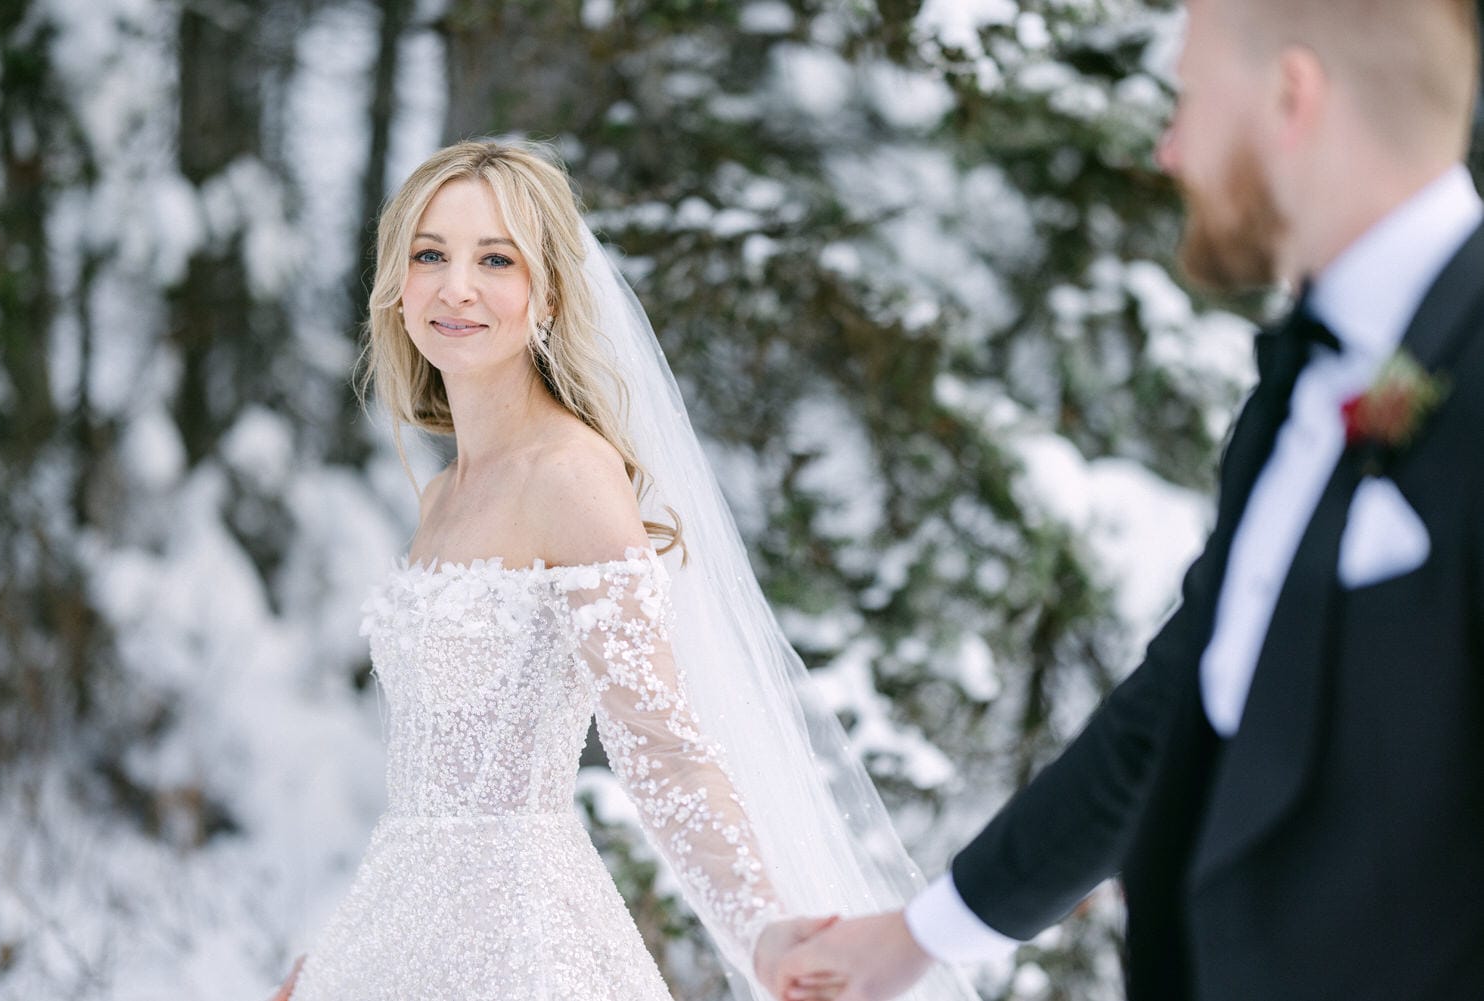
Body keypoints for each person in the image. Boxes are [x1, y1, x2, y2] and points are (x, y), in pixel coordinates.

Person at [767, 1, 1484, 999]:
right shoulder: (1298, 381)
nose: (1169, 147)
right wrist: (920, 934)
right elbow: (1181, 702)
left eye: (1188, 99)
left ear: (1292, 95)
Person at [267, 139, 980, 1001]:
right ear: (399, 283)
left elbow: (662, 745)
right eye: (430, 254)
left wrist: (757, 926)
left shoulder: (568, 474)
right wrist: (347, 957)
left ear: (549, 292)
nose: (456, 286)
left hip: (521, 953)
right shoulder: (445, 492)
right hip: (401, 940)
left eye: (496, 258)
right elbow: (431, 797)